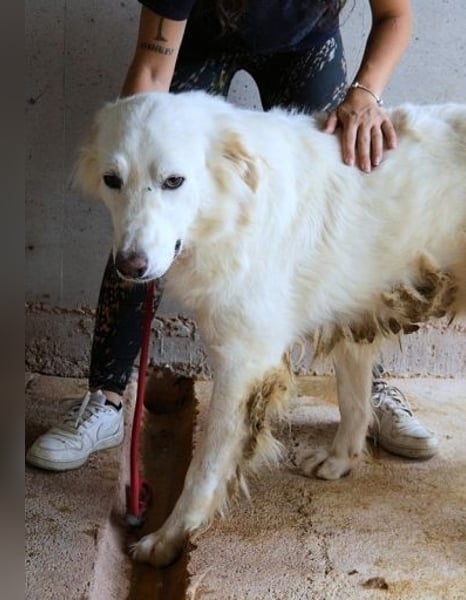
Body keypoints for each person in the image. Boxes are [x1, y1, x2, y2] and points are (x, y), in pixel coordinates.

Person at [26, 0, 439, 472]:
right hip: (199, 45)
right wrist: (131, 183)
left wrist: (366, 92)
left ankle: (373, 389)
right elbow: (152, 70)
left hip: (304, 45)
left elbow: (395, 16)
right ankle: (106, 398)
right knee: (146, 227)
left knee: (345, 192)